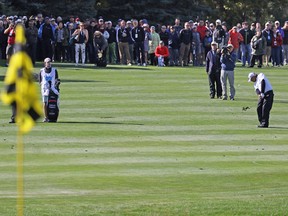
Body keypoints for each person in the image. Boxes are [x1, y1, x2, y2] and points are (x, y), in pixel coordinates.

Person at [39, 58, 59, 122]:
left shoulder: (54, 70)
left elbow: (56, 79)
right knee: (45, 103)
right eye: (47, 62)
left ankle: (54, 117)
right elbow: (40, 81)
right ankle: (46, 117)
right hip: (45, 89)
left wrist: (56, 85)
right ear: (45, 63)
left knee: (55, 103)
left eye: (49, 62)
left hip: (53, 89)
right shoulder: (41, 71)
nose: (48, 63)